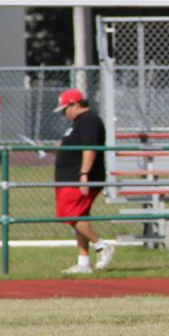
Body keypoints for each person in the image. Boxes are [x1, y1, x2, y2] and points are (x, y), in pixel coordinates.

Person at [53, 88, 113, 274]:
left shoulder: (89, 120)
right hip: (68, 178)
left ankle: (101, 245)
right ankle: (83, 261)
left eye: (65, 109)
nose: (64, 114)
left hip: (78, 178)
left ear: (75, 104)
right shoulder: (78, 122)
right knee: (78, 217)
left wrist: (84, 174)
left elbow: (89, 148)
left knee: (70, 214)